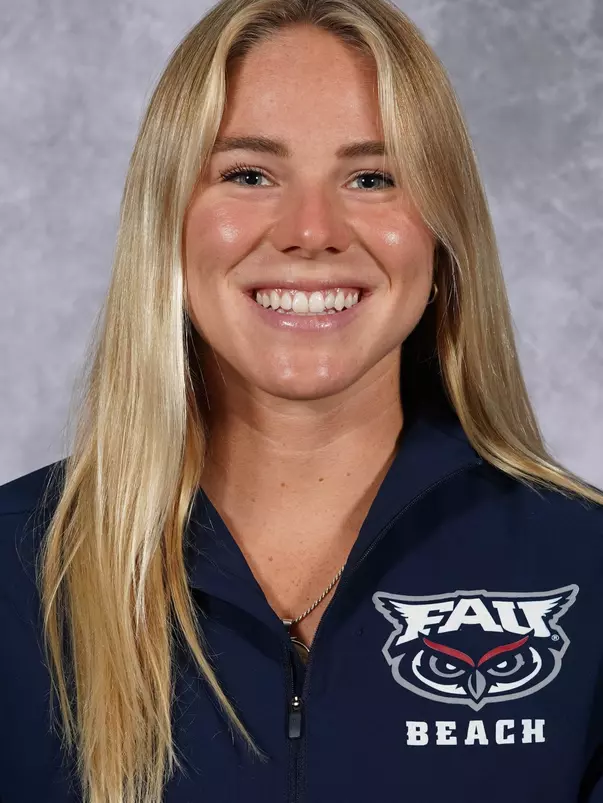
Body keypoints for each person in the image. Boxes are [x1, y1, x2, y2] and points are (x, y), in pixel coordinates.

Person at [0, 0, 602, 801]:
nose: (310, 230)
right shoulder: (16, 574)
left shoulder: (583, 566)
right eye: (248, 174)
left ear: (440, 232)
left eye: (371, 177)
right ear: (168, 219)